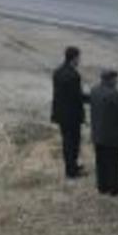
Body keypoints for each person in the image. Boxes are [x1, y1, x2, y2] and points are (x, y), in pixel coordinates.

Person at [89, 69, 118, 196]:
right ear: (111, 79)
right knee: (114, 162)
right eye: (115, 79)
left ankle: (102, 186)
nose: (117, 81)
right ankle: (114, 188)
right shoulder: (114, 94)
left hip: (97, 133)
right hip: (112, 135)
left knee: (100, 161)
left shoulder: (94, 90)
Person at [51, 46, 88, 179]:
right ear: (74, 58)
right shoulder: (74, 75)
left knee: (67, 141)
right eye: (79, 57)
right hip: (71, 115)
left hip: (60, 112)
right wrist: (91, 98)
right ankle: (72, 171)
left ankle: (71, 167)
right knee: (73, 143)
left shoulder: (57, 72)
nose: (79, 60)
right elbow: (77, 97)